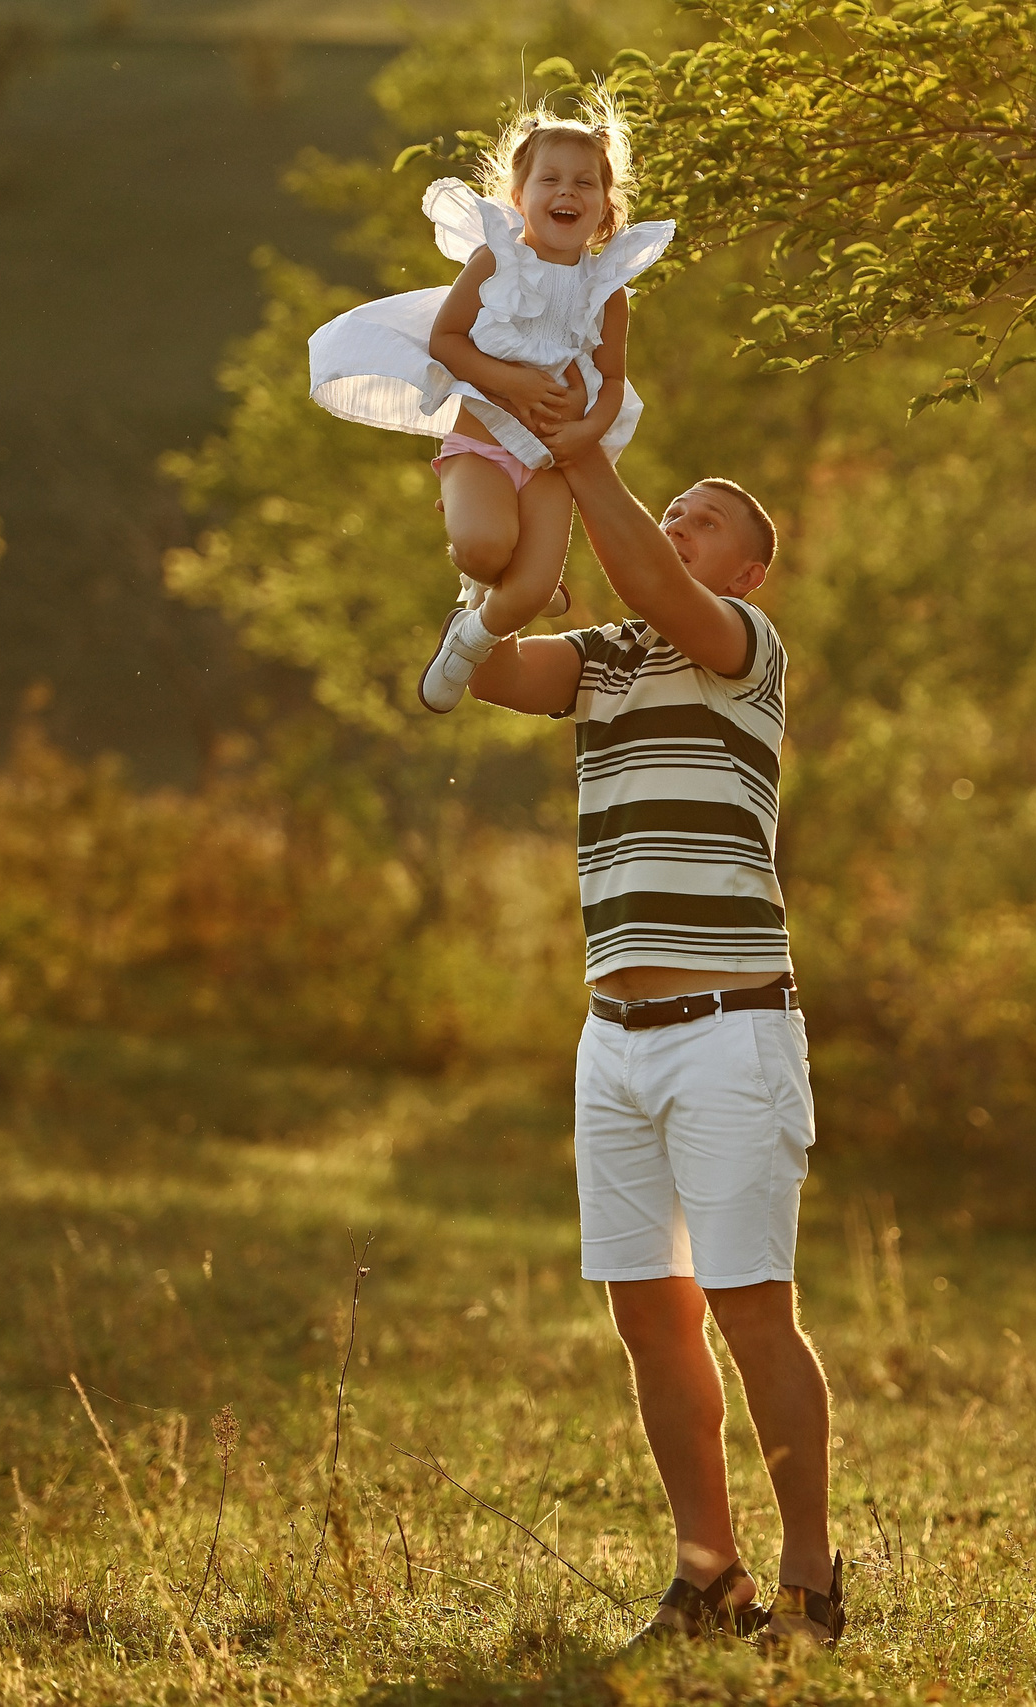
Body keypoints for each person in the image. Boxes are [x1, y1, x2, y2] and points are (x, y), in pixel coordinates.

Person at [461, 385, 844, 1651]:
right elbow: (492, 670)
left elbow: (648, 576)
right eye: (670, 508)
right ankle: (707, 1579)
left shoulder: (741, 646)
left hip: (730, 1029)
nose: (677, 524)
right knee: (647, 1316)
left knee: (749, 1309)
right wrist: (499, 538)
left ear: (749, 569)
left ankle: (810, 1583)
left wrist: (582, 464)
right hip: (612, 1041)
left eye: (702, 519)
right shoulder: (606, 660)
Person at [305, 90, 676, 713]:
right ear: (520, 197)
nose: (567, 191)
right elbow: (446, 341)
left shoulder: (607, 292)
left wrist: (586, 434)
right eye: (550, 179)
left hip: (551, 460)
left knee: (528, 596)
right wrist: (513, 383)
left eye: (585, 183)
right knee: (483, 550)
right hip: (482, 442)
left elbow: (612, 381)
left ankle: (468, 639)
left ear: (604, 207)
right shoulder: (495, 263)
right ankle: (485, 571)